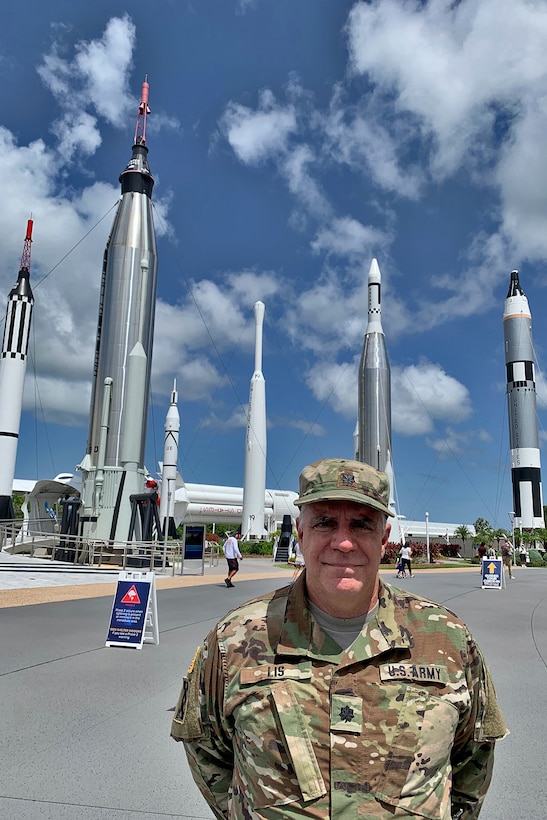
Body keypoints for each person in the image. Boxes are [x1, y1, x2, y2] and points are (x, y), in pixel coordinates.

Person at [172, 457, 507, 819]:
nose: (344, 543)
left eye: (362, 524)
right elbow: (206, 749)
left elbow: (473, 758)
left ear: (384, 537)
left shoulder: (447, 639)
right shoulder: (235, 640)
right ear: (301, 532)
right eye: (325, 522)